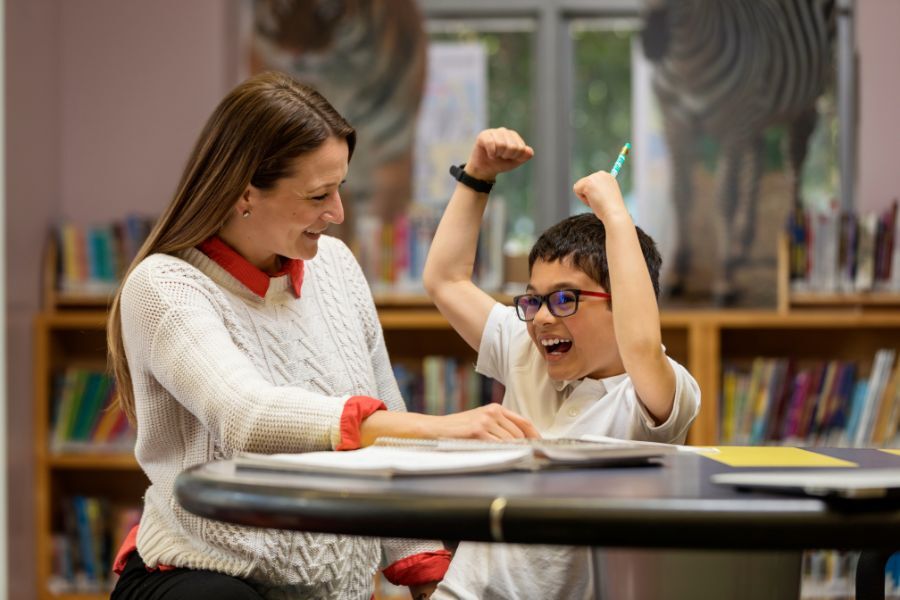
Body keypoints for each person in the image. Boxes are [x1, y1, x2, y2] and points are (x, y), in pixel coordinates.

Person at [106, 73, 539, 600]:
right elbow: (247, 416)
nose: (337, 213)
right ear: (245, 192)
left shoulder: (335, 265)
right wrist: (442, 429)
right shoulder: (164, 285)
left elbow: (386, 411)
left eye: (340, 188)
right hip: (204, 578)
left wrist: (425, 573)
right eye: (318, 195)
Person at [422, 128, 701, 599]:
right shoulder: (525, 347)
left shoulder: (650, 395)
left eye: (566, 298)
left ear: (624, 301)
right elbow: (445, 280)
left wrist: (615, 216)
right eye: (534, 300)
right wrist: (478, 176)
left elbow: (640, 345)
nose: (543, 318)